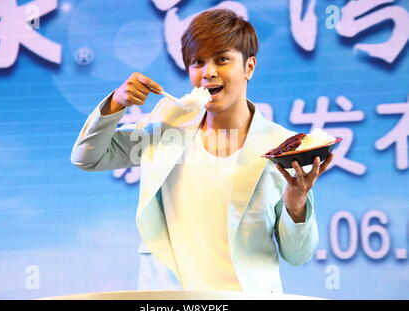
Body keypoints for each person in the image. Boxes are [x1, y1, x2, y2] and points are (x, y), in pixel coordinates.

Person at [71, 9, 334, 293]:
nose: (208, 72)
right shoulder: (165, 126)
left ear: (249, 67)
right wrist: (115, 105)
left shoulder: (281, 146)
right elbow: (87, 157)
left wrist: (296, 203)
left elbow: (298, 255)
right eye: (198, 62)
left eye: (222, 59)